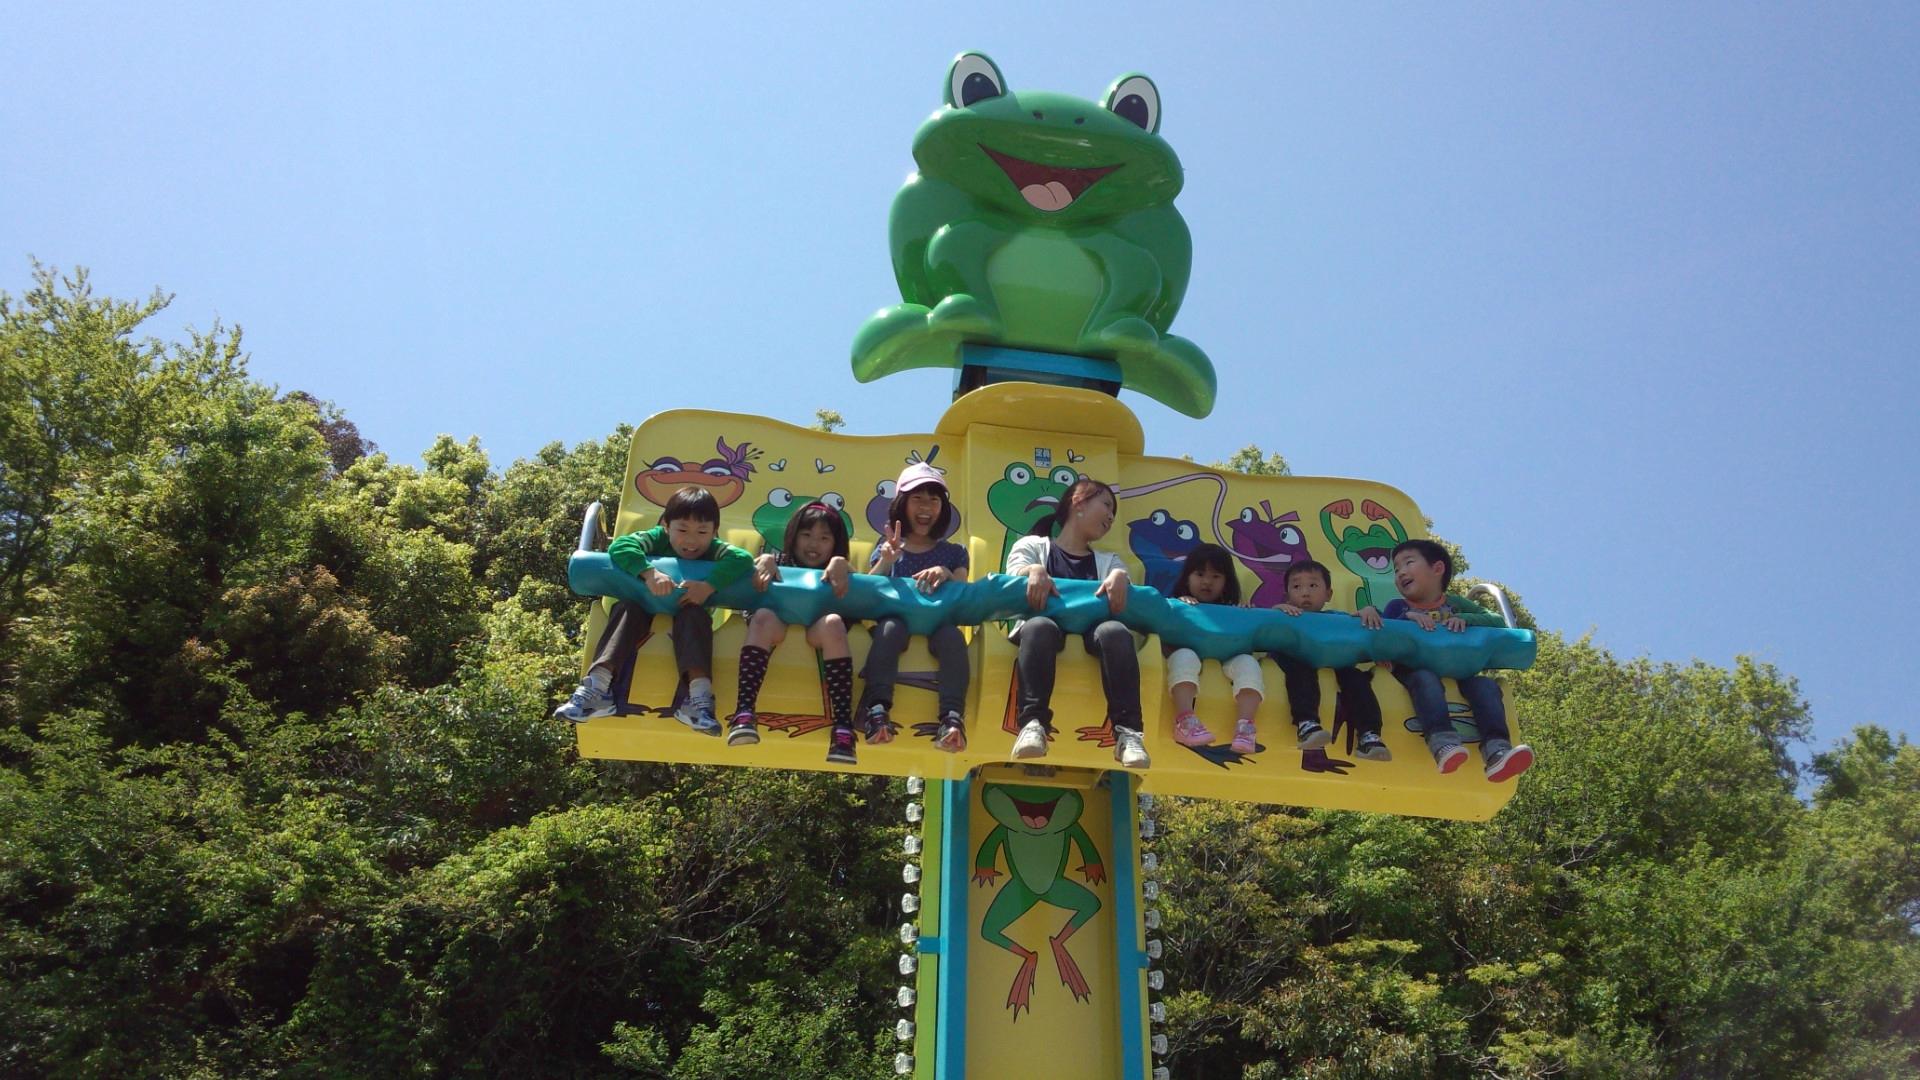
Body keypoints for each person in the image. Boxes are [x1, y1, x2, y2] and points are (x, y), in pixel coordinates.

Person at [553, 487, 752, 734]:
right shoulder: (656, 538)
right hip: (643, 610)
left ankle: (699, 699)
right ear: (666, 526)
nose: (691, 540)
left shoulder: (715, 550)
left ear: (714, 532)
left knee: (693, 616)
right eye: (682, 530)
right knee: (627, 608)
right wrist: (649, 572)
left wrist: (709, 585)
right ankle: (597, 687)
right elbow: (622, 546)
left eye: (702, 532)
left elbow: (742, 558)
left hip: (688, 614)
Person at [1004, 475, 1149, 768]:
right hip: (1044, 628)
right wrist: (1032, 570)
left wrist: (1122, 579)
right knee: (1039, 626)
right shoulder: (1033, 546)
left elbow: (1124, 595)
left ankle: (1128, 733)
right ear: (1078, 502)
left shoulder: (1110, 563)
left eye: (1113, 513)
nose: (1110, 516)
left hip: (1092, 632)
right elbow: (1014, 575)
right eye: (1106, 505)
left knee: (1115, 631)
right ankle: (1032, 723)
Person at [1358, 539, 1533, 781]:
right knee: (1426, 679)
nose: (1401, 572)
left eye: (1408, 563)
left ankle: (1497, 751)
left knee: (1486, 687)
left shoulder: (1455, 604)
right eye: (1396, 569)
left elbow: (1495, 621)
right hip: (1415, 667)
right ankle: (1442, 743)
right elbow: (1388, 628)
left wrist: (1467, 619)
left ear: (1437, 569)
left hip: (1457, 667)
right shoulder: (1398, 605)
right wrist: (1407, 616)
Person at [726, 501, 861, 765]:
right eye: (806, 535)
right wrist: (762, 562)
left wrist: (844, 566)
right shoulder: (777, 562)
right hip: (777, 625)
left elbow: (861, 595)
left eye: (824, 538)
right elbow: (748, 580)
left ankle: (843, 727)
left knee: (833, 622)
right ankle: (744, 711)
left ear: (836, 543)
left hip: (818, 630)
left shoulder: (838, 570)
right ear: (793, 536)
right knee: (763, 617)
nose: (814, 544)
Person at [861, 462, 971, 752]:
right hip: (897, 621)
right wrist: (887, 559)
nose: (926, 507)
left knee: (952, 637)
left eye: (933, 500)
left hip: (939, 623)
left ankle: (952, 718)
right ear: (902, 504)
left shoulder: (954, 552)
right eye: (918, 498)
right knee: (890, 629)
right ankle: (876, 710)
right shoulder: (887, 545)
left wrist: (946, 573)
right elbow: (869, 590)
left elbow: (962, 593)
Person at [1271, 560, 1390, 761]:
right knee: (1301, 671)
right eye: (1297, 587)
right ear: (1288, 595)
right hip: (1299, 662)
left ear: (1328, 594)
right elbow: (1267, 627)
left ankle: (1369, 735)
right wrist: (1277, 610)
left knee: (1357, 679)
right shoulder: (1285, 615)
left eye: (1313, 585)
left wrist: (1370, 610)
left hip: (1336, 663)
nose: (1305, 592)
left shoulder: (1336, 617)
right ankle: (1307, 724)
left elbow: (1362, 625)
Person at [1164, 543, 1265, 754]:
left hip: (1228, 657)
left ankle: (1245, 727)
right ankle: (1185, 721)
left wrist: (1245, 616)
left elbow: (1250, 639)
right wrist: (1179, 606)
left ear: (1226, 582)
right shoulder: (1178, 604)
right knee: (1184, 656)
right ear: (1187, 577)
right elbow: (1163, 632)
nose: (1207, 581)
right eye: (1200, 574)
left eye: (1216, 576)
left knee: (1248, 663)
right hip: (1188, 653)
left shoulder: (1232, 609)